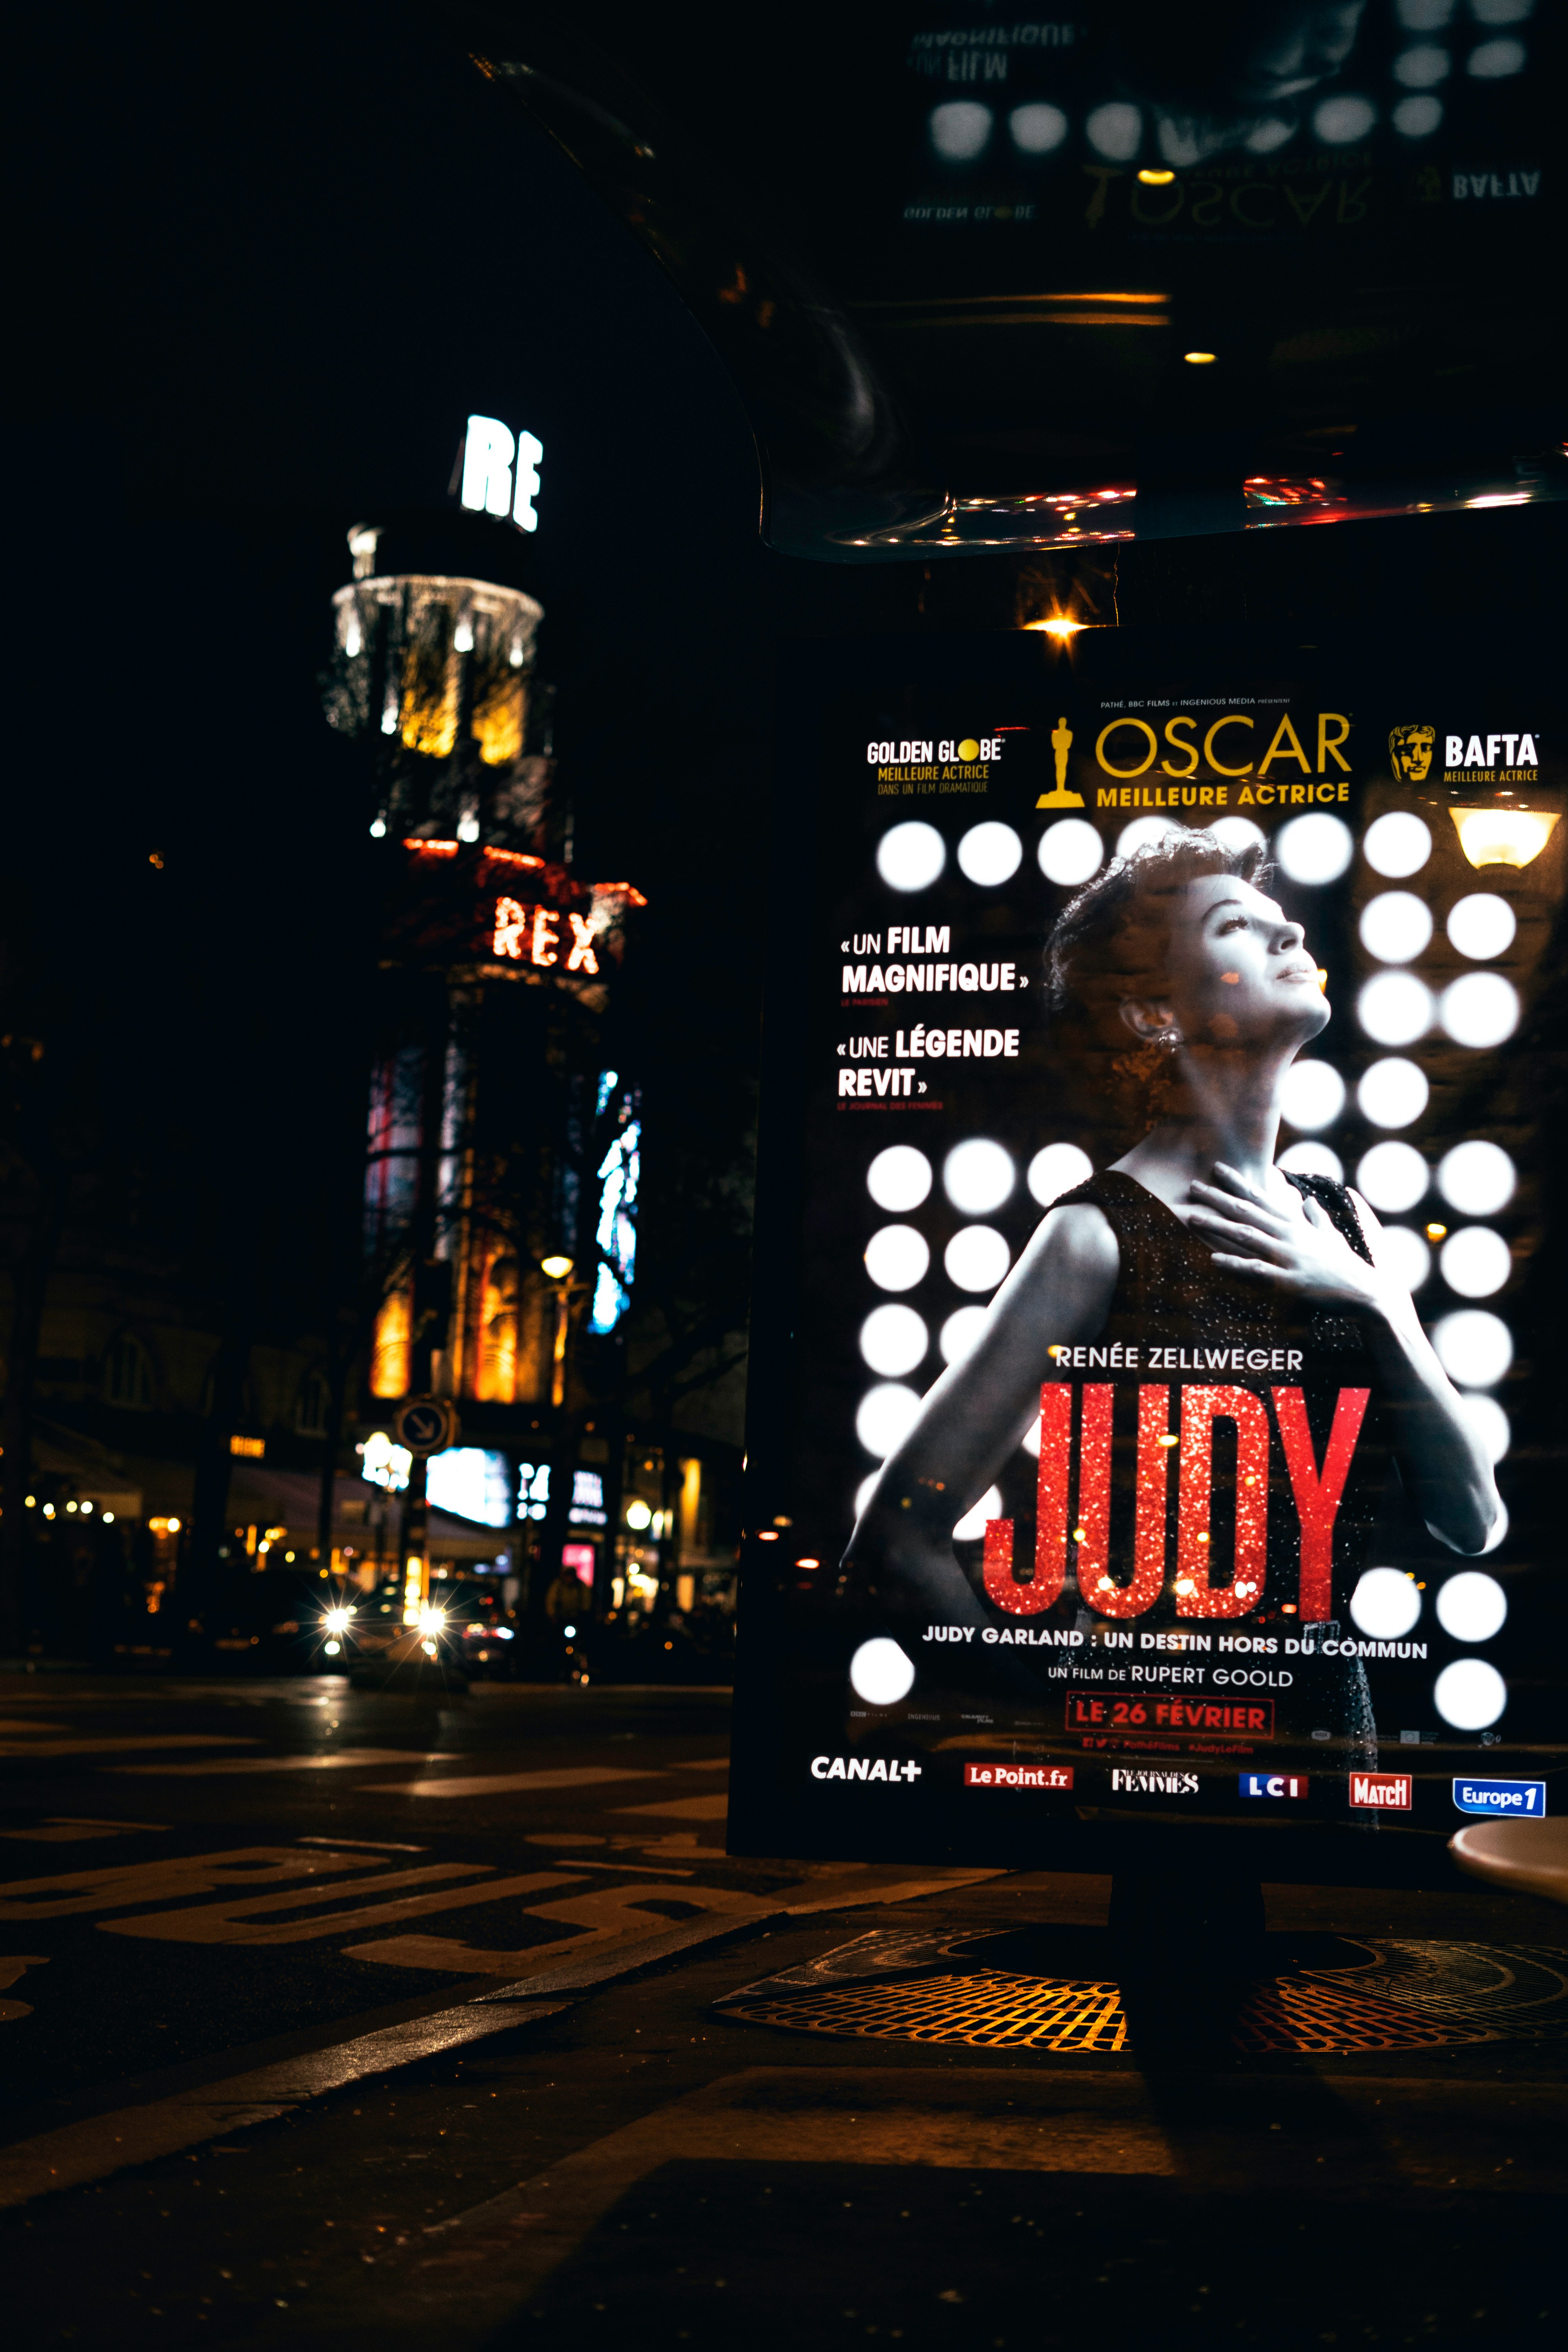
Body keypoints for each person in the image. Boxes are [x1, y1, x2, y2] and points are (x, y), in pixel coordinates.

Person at [846, 831, 1500, 1773]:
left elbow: (1471, 1522)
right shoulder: (1093, 1236)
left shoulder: (1342, 1220)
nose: (1286, 934)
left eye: (1280, 920)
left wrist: (1370, 1301)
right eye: (1237, 925)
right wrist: (1055, 1702)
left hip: (1327, 1731)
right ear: (1155, 1008)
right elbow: (894, 1542)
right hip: (1152, 1748)